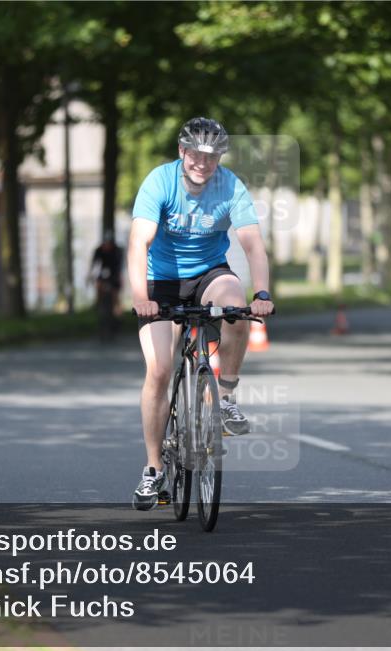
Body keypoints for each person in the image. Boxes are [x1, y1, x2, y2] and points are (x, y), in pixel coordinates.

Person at [129, 116, 274, 510]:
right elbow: (138, 242)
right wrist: (142, 297)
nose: (202, 163)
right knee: (159, 370)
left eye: (211, 156)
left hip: (208, 273)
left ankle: (224, 396)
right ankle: (154, 470)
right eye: (195, 154)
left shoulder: (230, 185)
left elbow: (253, 246)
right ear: (182, 153)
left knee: (235, 305)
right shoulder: (159, 182)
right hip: (160, 282)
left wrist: (261, 293)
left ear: (219, 158)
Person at [89, 234, 124, 341]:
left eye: (108, 244)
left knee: (115, 297)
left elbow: (119, 267)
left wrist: (118, 279)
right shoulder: (98, 250)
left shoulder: (117, 251)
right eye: (105, 244)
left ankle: (117, 312)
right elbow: (94, 265)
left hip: (114, 276)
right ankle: (98, 304)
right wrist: (91, 276)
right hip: (103, 275)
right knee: (99, 287)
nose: (106, 246)